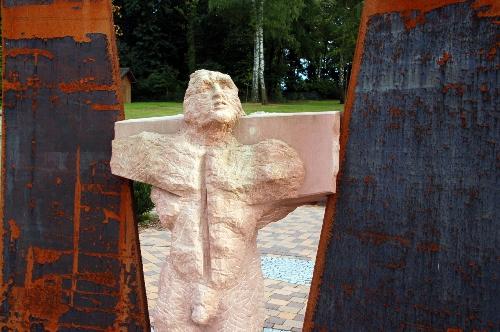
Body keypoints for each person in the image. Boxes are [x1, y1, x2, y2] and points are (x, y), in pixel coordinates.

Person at [111, 69, 305, 331]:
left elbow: (290, 193)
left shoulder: (261, 159)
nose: (217, 94)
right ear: (188, 104)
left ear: (237, 104)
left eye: (226, 86)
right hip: (181, 279)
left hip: (237, 281)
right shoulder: (157, 152)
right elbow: (123, 154)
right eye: (205, 88)